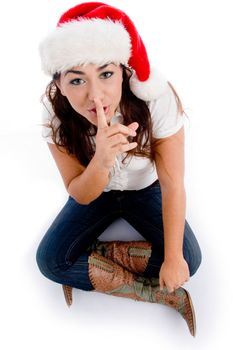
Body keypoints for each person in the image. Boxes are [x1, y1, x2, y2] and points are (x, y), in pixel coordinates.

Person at [36, 2, 202, 337]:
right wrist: (101, 158)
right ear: (59, 83)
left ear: (125, 71)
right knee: (51, 262)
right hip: (97, 192)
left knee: (187, 260)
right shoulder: (54, 112)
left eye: (106, 74)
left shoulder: (155, 97)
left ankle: (92, 255)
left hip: (147, 189)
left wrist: (172, 259)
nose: (95, 96)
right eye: (77, 80)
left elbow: (172, 183)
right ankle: (155, 294)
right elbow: (80, 192)